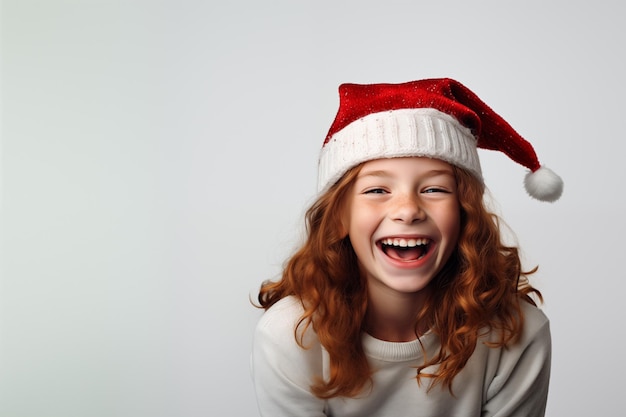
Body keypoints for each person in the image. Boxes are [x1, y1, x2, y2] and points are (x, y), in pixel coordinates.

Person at [250, 78, 563, 417]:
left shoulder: (518, 335)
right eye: (376, 191)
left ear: (464, 213)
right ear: (339, 217)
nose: (408, 210)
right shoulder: (290, 337)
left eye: (434, 189)